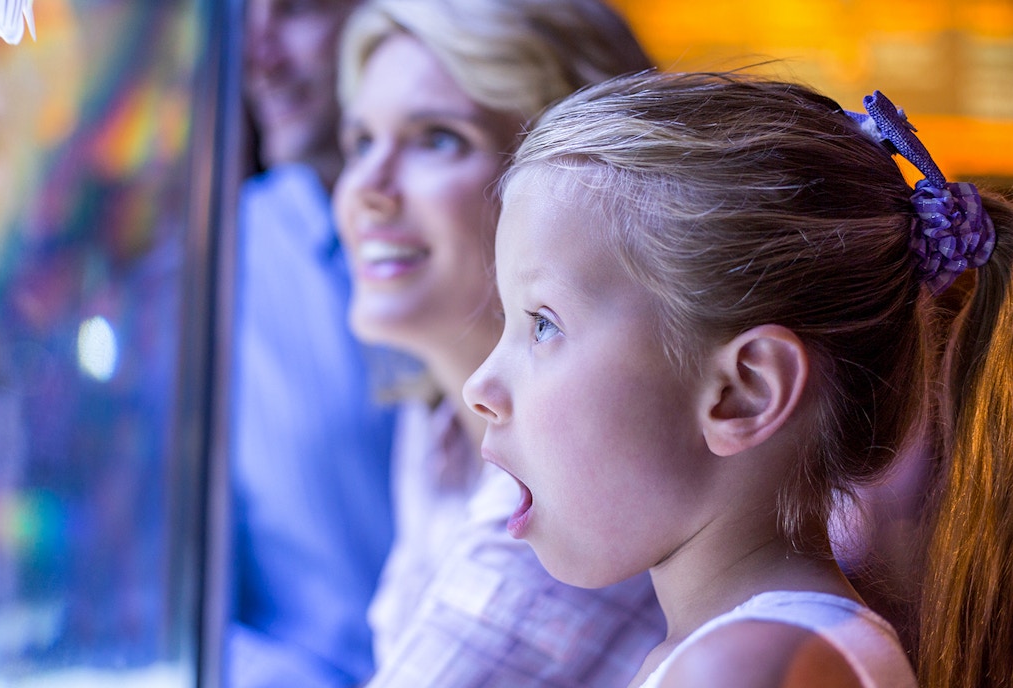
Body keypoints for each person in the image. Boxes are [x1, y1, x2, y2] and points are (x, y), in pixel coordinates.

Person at [461, 69, 1008, 686]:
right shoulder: (737, 651)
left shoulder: (748, 667)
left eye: (543, 325)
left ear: (746, 392)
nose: (479, 388)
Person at [331, 0, 666, 685]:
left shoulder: (577, 468)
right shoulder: (437, 430)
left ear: (574, 177)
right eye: (361, 144)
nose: (367, 189)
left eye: (437, 139)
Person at [228, 1, 397, 686]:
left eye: (296, 8)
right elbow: (154, 596)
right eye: (241, 20)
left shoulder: (507, 240)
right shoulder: (214, 271)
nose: (259, 56)